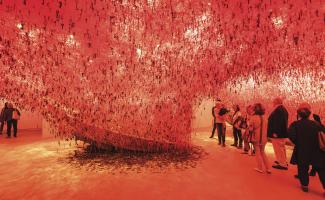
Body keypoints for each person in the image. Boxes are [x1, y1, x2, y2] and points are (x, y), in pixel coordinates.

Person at [288, 103, 325, 193]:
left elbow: (291, 136)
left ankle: (304, 185)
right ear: (309, 114)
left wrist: (298, 142)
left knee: (303, 167)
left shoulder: (295, 124)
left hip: (302, 150)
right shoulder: (316, 124)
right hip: (317, 151)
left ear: (299, 114)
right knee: (321, 169)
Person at [267, 97, 289, 170]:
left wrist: (275, 132)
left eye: (273, 102)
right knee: (281, 148)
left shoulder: (278, 110)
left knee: (278, 148)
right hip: (282, 133)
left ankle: (282, 164)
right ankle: (282, 161)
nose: (272, 103)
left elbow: (278, 122)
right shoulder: (283, 109)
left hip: (278, 133)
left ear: (276, 102)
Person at [249, 103, 270, 174]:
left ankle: (259, 167)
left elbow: (251, 129)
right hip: (264, 137)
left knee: (257, 152)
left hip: (256, 137)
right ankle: (268, 168)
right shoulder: (265, 117)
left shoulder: (254, 118)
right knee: (263, 152)